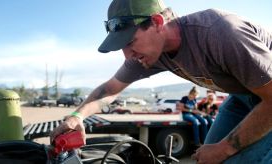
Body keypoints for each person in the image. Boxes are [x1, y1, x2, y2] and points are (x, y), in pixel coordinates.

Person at [50, 0, 272, 163]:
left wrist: (224, 149)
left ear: (157, 22)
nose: (128, 55)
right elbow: (110, 88)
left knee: (229, 158)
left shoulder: (219, 33)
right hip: (245, 96)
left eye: (131, 41)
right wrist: (77, 116)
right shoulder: (150, 52)